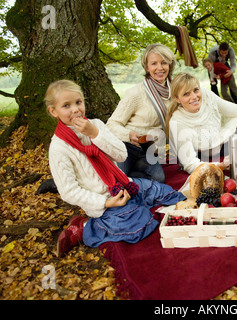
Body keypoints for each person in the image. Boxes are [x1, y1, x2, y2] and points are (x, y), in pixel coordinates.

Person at [45, 80, 186, 257]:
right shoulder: (59, 148)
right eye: (66, 105)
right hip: (105, 200)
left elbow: (121, 155)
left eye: (78, 102)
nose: (75, 110)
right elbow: (68, 191)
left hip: (125, 184)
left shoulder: (96, 124)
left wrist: (95, 134)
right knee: (140, 226)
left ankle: (136, 205)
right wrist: (105, 203)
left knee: (170, 194)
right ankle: (84, 227)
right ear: (53, 111)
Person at [106, 44, 177, 183]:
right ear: (147, 67)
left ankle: (131, 174)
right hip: (126, 146)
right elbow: (111, 124)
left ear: (170, 64)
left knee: (158, 179)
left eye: (164, 62)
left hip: (149, 151)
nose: (160, 68)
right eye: (154, 63)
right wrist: (128, 135)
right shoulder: (136, 93)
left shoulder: (175, 91)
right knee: (115, 179)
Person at [166, 72, 237, 174]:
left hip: (227, 127)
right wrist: (221, 165)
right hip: (217, 146)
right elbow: (190, 164)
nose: (194, 96)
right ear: (177, 99)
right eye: (186, 94)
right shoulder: (177, 122)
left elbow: (231, 108)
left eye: (196, 90)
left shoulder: (205, 94)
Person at [208, 42, 237, 107]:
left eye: (225, 53)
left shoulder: (231, 51)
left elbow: (233, 64)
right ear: (219, 50)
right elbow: (210, 66)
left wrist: (231, 71)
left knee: (231, 83)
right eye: (222, 53)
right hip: (213, 66)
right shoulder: (213, 52)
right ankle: (217, 103)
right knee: (213, 84)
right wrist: (213, 77)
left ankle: (236, 102)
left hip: (224, 65)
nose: (224, 55)